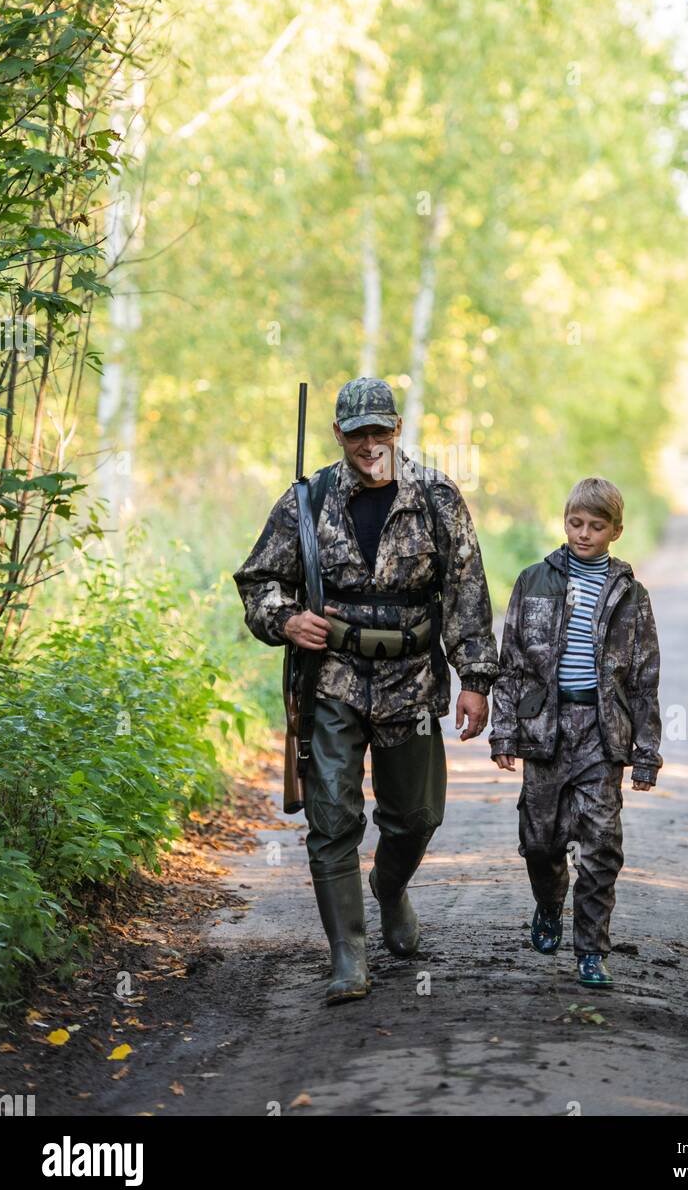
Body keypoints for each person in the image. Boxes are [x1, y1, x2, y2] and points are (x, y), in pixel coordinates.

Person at [233, 377, 499, 1004]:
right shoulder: (308, 500)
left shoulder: (437, 496)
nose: (370, 444)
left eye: (381, 431)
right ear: (339, 435)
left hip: (413, 678)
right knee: (332, 818)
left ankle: (389, 884)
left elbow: (467, 589)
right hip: (333, 679)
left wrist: (476, 680)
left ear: (398, 428)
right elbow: (259, 581)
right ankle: (348, 957)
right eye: (358, 434)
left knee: (417, 816)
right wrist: (284, 618)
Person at [489, 476, 662, 990]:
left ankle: (591, 950)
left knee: (602, 844)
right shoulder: (533, 580)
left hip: (601, 734)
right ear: (564, 522)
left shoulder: (632, 595)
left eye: (597, 526)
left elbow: (646, 678)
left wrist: (645, 753)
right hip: (545, 731)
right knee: (540, 842)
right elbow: (512, 662)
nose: (584, 533)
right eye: (575, 523)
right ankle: (548, 901)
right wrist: (504, 733)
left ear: (617, 531)